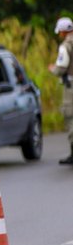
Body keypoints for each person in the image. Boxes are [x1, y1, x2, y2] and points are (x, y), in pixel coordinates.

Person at [48, 16, 73, 165]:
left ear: (63, 32)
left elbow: (61, 67)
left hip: (71, 87)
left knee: (71, 118)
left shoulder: (66, 46)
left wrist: (53, 69)